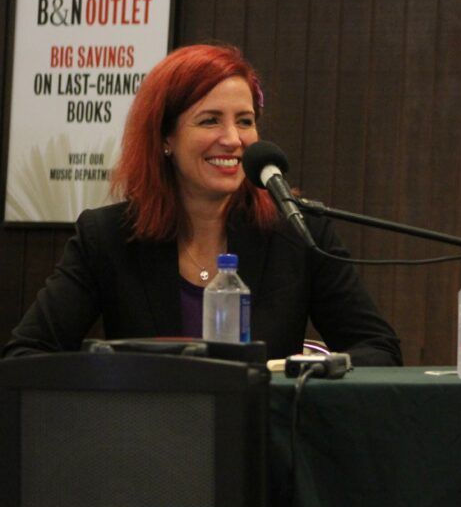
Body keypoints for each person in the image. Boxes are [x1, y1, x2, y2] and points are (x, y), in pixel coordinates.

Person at [4, 43, 402, 365]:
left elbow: (378, 349)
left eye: (245, 121)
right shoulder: (106, 236)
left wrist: (307, 373)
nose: (232, 139)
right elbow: (26, 355)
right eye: (210, 120)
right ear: (165, 138)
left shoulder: (300, 230)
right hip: (148, 451)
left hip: (269, 452)